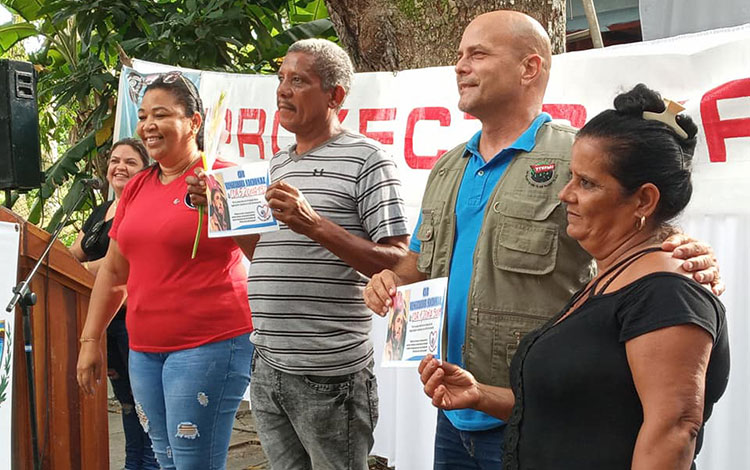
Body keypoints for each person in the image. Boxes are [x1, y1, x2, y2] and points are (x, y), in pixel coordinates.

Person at [363, 10, 724, 469]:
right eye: (459, 55)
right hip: (460, 408)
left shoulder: (575, 154)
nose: (459, 66)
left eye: (477, 54)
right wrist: (389, 280)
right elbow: (420, 262)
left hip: (546, 418)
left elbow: (644, 233)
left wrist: (690, 251)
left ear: (529, 68)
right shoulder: (448, 167)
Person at [419, 84, 730, 470]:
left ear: (644, 201)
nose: (565, 194)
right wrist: (480, 394)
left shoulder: (667, 294)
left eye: (587, 183)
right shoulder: (609, 277)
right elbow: (579, 409)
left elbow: (673, 430)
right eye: (571, 177)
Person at [188, 38, 410, 470]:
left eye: (298, 80)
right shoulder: (277, 165)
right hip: (269, 365)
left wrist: (315, 224)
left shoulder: (368, 159)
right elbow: (263, 253)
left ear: (336, 95)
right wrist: (223, 211)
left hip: (330, 374)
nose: (283, 90)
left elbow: (398, 261)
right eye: (281, 79)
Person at [76, 72, 258, 470]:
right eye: (143, 116)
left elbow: (265, 258)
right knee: (165, 459)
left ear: (194, 122)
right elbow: (114, 271)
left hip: (208, 343)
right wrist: (91, 338)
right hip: (143, 349)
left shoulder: (224, 177)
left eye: (161, 114)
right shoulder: (139, 186)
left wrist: (220, 207)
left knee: (193, 463)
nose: (147, 126)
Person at [69, 138, 158, 470]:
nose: (119, 167)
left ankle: (145, 464)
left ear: (147, 170)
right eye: (115, 161)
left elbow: (118, 263)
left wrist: (80, 270)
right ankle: (134, 463)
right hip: (103, 321)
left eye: (130, 162)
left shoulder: (142, 209)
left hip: (132, 320)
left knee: (143, 406)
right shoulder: (101, 210)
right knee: (125, 404)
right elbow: (72, 254)